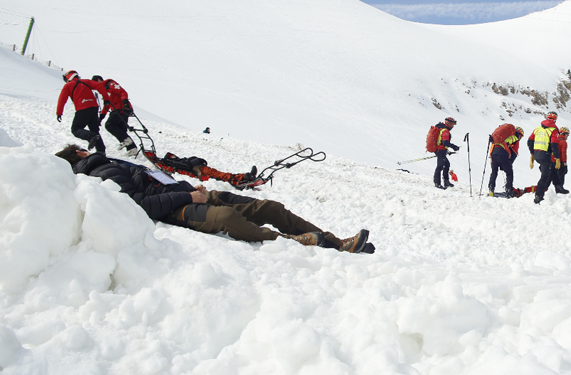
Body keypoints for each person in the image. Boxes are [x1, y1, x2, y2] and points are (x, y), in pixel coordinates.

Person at [55, 144, 374, 253]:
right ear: (79, 154)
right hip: (179, 208)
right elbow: (141, 203)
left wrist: (192, 188)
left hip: (188, 193)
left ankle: (335, 241)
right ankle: (300, 241)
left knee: (268, 207)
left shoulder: (110, 165)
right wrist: (187, 193)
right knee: (231, 220)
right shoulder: (101, 172)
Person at [56, 70, 108, 154]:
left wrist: (59, 113)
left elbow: (62, 100)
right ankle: (101, 151)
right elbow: (99, 86)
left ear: (68, 77)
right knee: (94, 129)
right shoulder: (86, 81)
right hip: (94, 107)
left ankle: (91, 137)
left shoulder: (68, 85)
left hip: (82, 108)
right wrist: (106, 99)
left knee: (76, 129)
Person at [92, 75, 139, 157]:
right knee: (121, 129)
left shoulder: (110, 84)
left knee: (109, 125)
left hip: (121, 108)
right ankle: (132, 149)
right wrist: (101, 117)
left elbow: (123, 92)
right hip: (119, 109)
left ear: (99, 80)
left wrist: (125, 102)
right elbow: (106, 105)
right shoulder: (104, 91)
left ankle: (126, 141)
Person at [527, 112, 561, 204]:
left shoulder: (537, 129)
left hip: (538, 155)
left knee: (549, 171)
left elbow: (529, 141)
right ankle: (538, 196)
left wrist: (532, 153)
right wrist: (557, 157)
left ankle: (558, 188)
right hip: (545, 155)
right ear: (555, 119)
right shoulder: (553, 130)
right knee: (545, 176)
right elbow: (554, 144)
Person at [488, 125, 524, 197]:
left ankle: (491, 189)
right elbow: (514, 152)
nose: (520, 138)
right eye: (521, 136)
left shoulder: (501, 136)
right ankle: (509, 190)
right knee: (509, 173)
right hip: (503, 155)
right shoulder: (514, 138)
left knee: (494, 172)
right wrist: (509, 163)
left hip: (494, 154)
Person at [433, 117, 459, 189]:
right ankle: (437, 183)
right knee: (440, 166)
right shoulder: (446, 131)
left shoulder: (441, 128)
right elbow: (445, 142)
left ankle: (446, 181)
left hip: (440, 150)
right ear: (449, 123)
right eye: (452, 124)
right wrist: (454, 146)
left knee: (447, 164)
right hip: (440, 150)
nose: (453, 126)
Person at [551, 127, 570, 194]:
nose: (567, 136)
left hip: (553, 161)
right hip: (560, 161)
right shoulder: (563, 142)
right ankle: (560, 188)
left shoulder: (555, 140)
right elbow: (563, 152)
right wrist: (564, 162)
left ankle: (557, 188)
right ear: (564, 134)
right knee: (561, 174)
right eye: (567, 134)